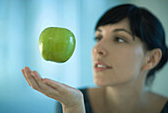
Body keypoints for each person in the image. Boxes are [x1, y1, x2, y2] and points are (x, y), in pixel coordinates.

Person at [22, 4, 168, 113]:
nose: (97, 48)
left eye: (119, 39)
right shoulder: (71, 101)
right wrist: (73, 107)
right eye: (98, 37)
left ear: (151, 59)